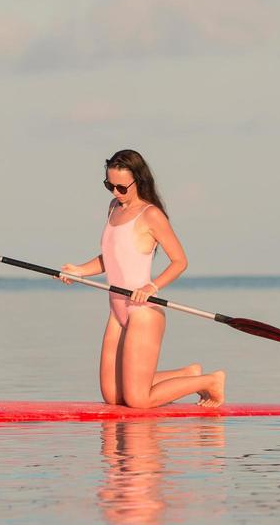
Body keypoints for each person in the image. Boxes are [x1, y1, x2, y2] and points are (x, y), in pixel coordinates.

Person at [59, 149, 226, 408]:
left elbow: (180, 261)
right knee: (113, 396)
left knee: (138, 400)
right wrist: (79, 270)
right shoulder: (114, 208)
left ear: (139, 180)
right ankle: (186, 374)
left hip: (143, 311)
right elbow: (112, 257)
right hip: (117, 310)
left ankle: (210, 381)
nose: (115, 192)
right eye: (109, 185)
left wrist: (152, 286)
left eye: (121, 187)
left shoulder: (150, 214)